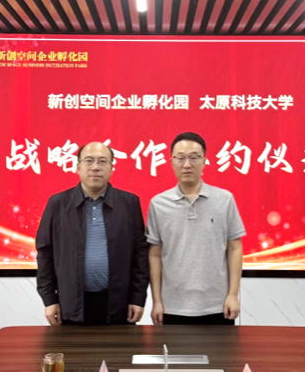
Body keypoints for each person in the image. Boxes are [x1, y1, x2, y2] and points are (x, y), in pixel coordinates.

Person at [36, 141, 149, 325]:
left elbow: (140, 255)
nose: (95, 167)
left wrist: (137, 299)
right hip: (70, 305)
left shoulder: (129, 203)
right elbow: (45, 254)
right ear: (78, 167)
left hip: (118, 305)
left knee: (120, 345)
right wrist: (49, 300)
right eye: (89, 161)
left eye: (102, 161)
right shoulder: (58, 204)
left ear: (111, 168)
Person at [147, 132, 245, 325]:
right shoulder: (158, 204)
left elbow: (235, 248)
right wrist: (157, 301)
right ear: (171, 161)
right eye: (180, 158)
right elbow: (155, 255)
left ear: (204, 161)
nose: (187, 164)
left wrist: (233, 294)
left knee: (221, 347)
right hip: (172, 306)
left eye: (194, 157)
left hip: (218, 305)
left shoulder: (224, 199)